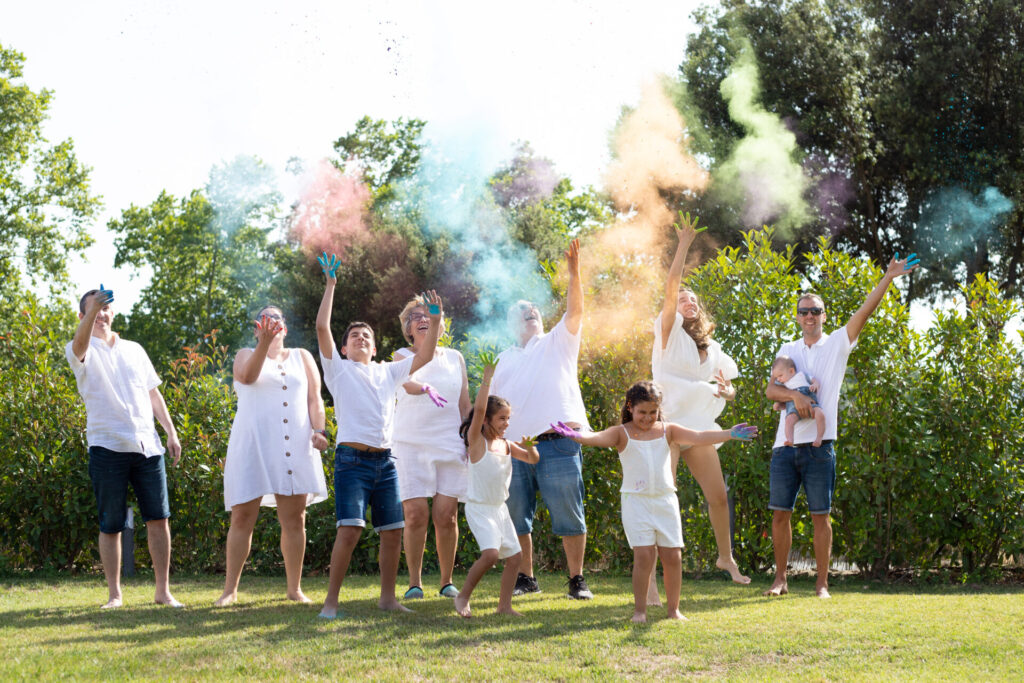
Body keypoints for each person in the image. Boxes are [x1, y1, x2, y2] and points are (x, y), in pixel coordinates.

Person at [763, 252, 921, 599]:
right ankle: (780, 580)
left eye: (815, 310)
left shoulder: (837, 343)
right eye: (803, 310)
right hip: (784, 448)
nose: (809, 316)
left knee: (821, 517)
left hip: (821, 447)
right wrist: (796, 397)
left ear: (823, 315)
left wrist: (888, 277)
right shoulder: (787, 348)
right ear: (798, 316)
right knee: (779, 516)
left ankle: (822, 584)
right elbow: (770, 389)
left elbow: (864, 312)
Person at [550, 381, 758, 622]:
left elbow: (699, 436)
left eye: (652, 412)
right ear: (630, 408)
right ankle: (640, 611)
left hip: (665, 501)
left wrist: (729, 434)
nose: (648, 418)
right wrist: (576, 436)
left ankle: (674, 611)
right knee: (644, 556)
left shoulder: (668, 430)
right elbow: (596, 437)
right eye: (642, 412)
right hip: (636, 503)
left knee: (673, 556)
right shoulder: (621, 432)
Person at [314, 251, 444, 619]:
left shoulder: (389, 372)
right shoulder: (338, 371)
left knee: (392, 531)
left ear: (373, 347)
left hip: (385, 463)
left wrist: (433, 323)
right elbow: (323, 328)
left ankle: (388, 598)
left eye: (366, 336)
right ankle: (331, 602)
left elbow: (426, 355)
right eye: (354, 335)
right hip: (352, 462)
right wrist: (331, 284)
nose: (360, 338)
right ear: (344, 348)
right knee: (350, 531)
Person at [65, 285, 183, 609]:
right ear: (83, 315)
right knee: (111, 523)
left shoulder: (134, 349)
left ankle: (163, 591)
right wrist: (90, 315)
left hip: (148, 446)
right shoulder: (80, 350)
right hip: (106, 446)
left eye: (105, 308)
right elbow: (79, 346)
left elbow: (153, 394)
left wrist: (170, 433)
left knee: (159, 519)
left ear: (113, 312)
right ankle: (115, 595)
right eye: (93, 308)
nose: (101, 313)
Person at [492, 238, 593, 600]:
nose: (529, 311)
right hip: (515, 449)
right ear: (509, 324)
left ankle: (577, 580)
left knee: (569, 514)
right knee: (518, 517)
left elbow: (576, 311)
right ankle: (526, 578)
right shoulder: (501, 359)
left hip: (558, 442)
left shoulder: (557, 341)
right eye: (521, 311)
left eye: (533, 308)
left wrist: (574, 273)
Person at [651, 213, 749, 586]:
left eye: (692, 298)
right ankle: (654, 577)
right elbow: (672, 284)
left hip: (701, 427)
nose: (686, 300)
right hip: (669, 425)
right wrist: (684, 245)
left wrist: (729, 392)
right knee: (664, 497)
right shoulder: (667, 331)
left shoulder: (713, 348)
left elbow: (731, 386)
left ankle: (726, 559)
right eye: (681, 298)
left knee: (718, 497)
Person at [214, 306, 330, 607]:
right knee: (242, 517)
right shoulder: (244, 354)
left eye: (277, 317)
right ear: (256, 328)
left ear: (286, 327)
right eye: (265, 319)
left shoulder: (303, 357)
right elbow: (247, 377)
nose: (272, 322)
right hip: (252, 444)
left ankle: (294, 589)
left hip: (294, 445)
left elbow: (315, 398)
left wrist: (321, 430)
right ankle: (230, 590)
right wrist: (263, 344)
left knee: (295, 518)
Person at [392, 295, 470, 601]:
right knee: (414, 514)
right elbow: (408, 384)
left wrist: (470, 438)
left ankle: (447, 581)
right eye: (415, 317)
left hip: (450, 442)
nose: (422, 319)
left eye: (428, 315)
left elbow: (464, 403)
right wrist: (425, 387)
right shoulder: (400, 356)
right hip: (410, 443)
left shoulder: (455, 358)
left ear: (440, 323)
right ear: (408, 329)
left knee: (446, 515)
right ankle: (414, 583)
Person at [452, 352, 539, 618]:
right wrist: (487, 378)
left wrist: (529, 449)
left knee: (515, 558)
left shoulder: (507, 445)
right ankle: (463, 597)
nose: (506, 423)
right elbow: (477, 409)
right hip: (479, 508)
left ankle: (504, 607)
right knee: (490, 555)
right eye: (502, 418)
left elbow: (533, 459)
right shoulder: (477, 442)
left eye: (508, 419)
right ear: (487, 420)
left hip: (499, 509)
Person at [770, 356, 825, 447]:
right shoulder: (784, 386)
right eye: (777, 378)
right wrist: (779, 404)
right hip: (793, 409)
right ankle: (790, 439)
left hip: (811, 404)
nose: (778, 379)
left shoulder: (802, 375)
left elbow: (815, 380)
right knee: (788, 420)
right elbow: (783, 397)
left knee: (820, 414)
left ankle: (819, 438)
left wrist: (815, 384)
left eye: (780, 376)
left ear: (791, 371)